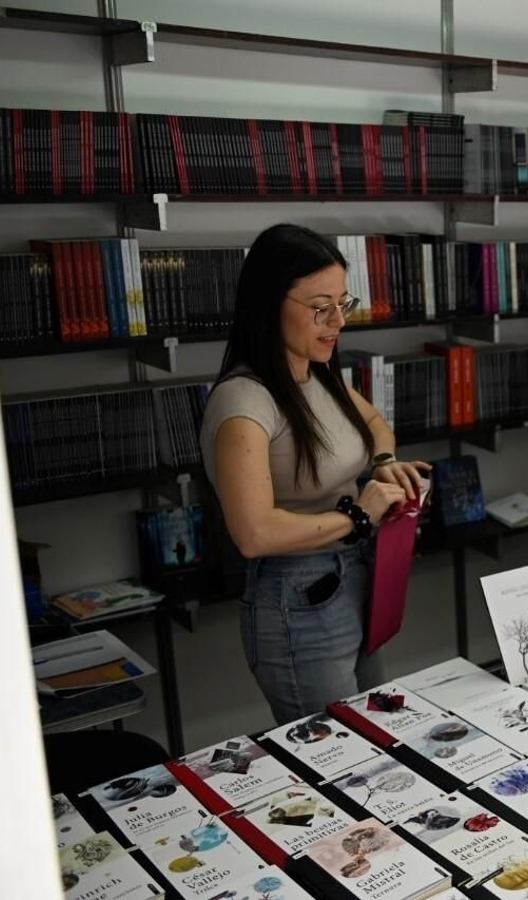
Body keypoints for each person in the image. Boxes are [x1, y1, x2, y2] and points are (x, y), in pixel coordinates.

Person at [201, 223, 430, 724]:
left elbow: (373, 423)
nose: (336, 322)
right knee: (336, 754)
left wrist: (386, 465)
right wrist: (360, 515)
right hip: (297, 601)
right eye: (319, 307)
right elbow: (253, 533)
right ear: (269, 303)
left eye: (343, 305)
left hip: (354, 579)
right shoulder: (244, 402)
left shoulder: (315, 374)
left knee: (379, 730)